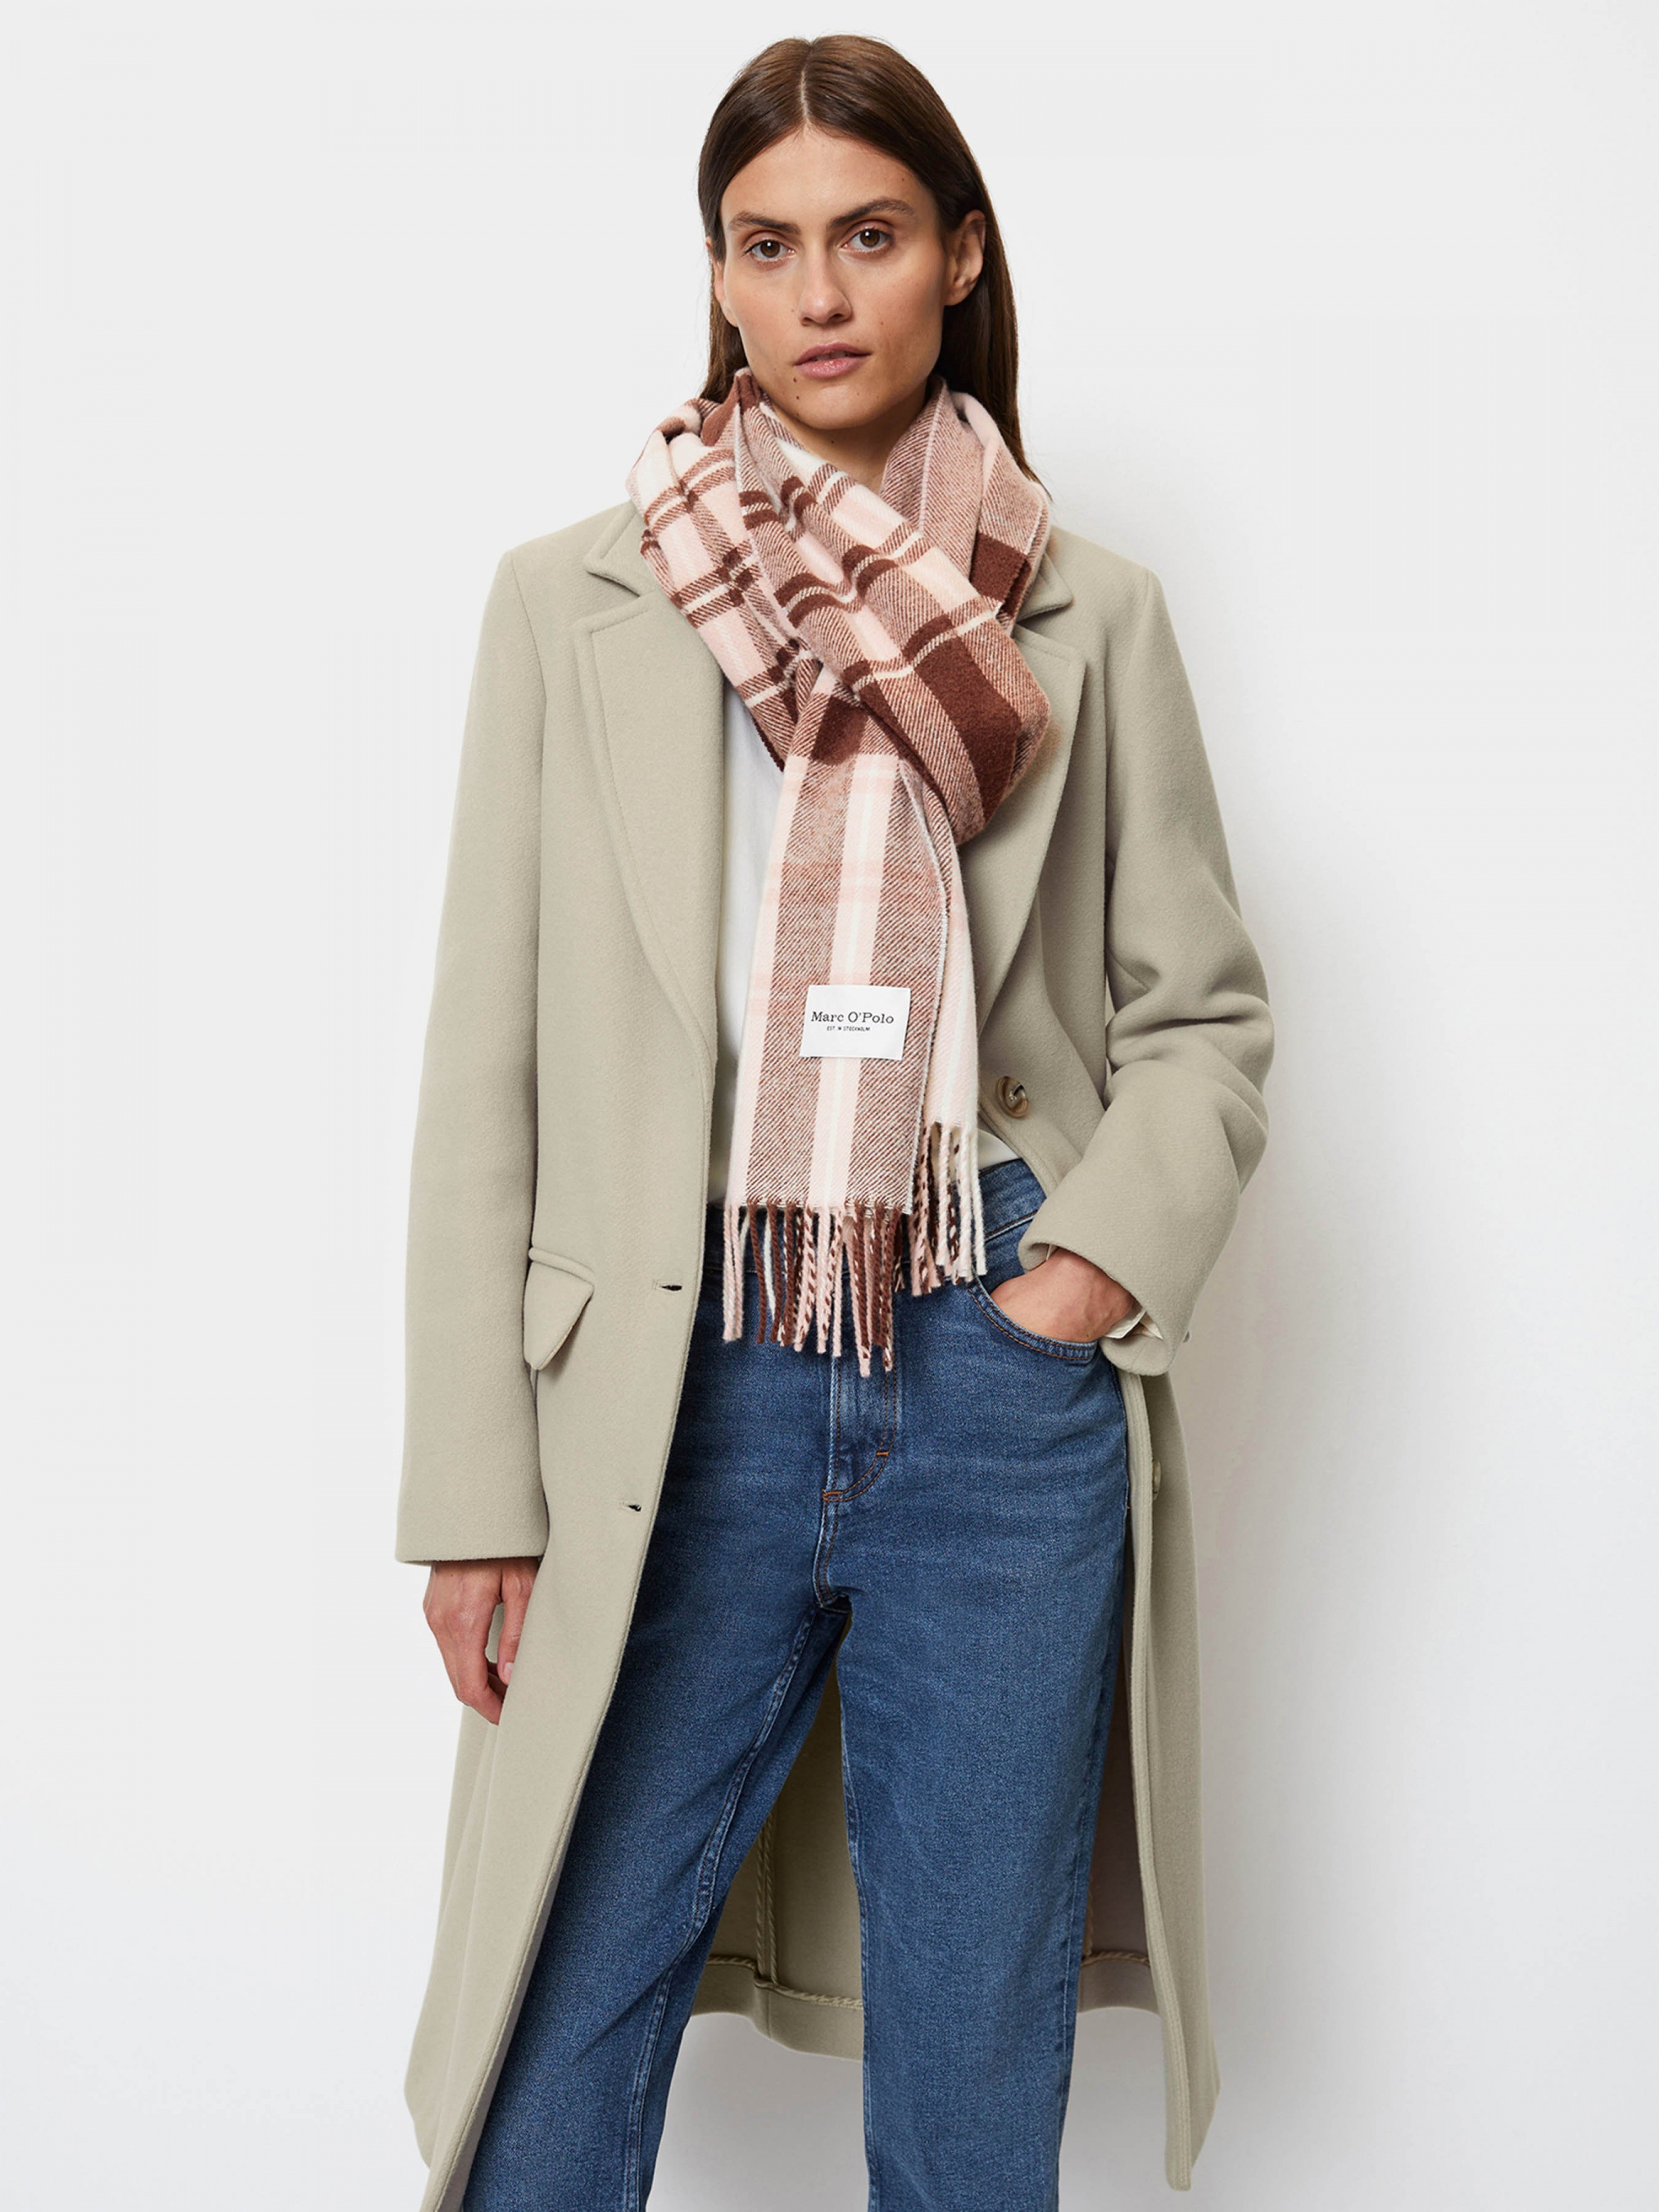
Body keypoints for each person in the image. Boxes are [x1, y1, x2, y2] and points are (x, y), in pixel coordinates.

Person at [396, 34, 1272, 2212]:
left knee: (973, 2049)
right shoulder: (577, 601)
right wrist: (472, 1488)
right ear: (714, 270)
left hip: (993, 1363)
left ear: (956, 257)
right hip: (668, 1372)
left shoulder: (1089, 609)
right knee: (550, 2018)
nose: (815, 294)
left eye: (866, 236)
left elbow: (1201, 1016)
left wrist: (1076, 1277)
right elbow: (486, 1062)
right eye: (764, 243)